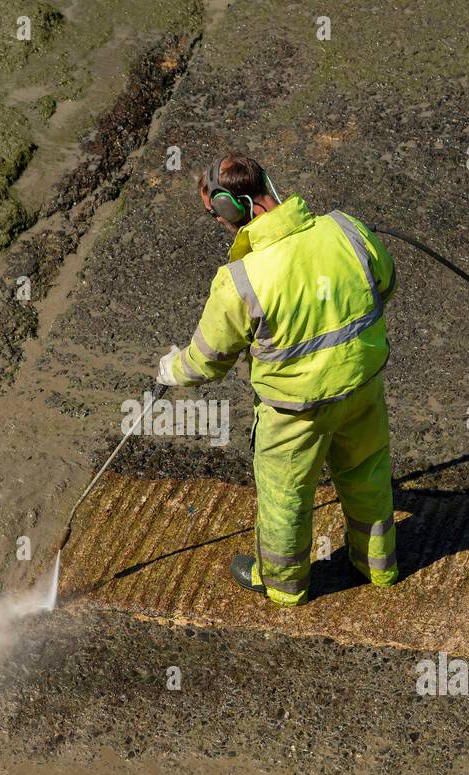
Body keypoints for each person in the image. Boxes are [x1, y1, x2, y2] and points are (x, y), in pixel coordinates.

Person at [156, 153, 398, 606]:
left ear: (230, 209)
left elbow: (207, 362)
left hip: (294, 413)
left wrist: (170, 368)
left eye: (215, 214)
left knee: (286, 498)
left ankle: (285, 586)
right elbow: (385, 283)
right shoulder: (347, 229)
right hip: (363, 389)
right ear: (268, 182)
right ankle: (378, 566)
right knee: (368, 475)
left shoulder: (241, 280)